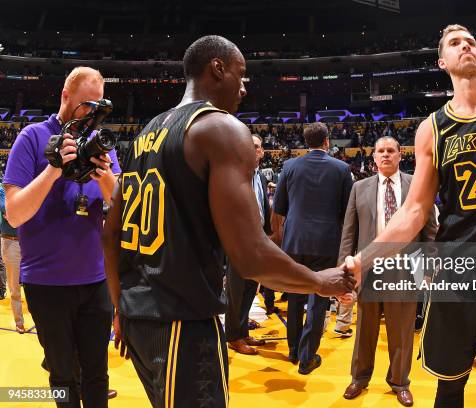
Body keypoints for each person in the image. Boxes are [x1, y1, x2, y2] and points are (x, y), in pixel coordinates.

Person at [102, 35, 354, 408]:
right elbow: (251, 256)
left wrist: (120, 308)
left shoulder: (144, 133)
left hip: (138, 314)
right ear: (217, 69)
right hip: (181, 319)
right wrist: (319, 282)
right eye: (242, 73)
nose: (245, 86)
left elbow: (110, 236)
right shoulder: (221, 129)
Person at [344, 24, 476, 408]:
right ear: (442, 62)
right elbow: (413, 211)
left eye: (472, 42)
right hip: (455, 274)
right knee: (449, 386)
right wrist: (363, 260)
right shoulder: (432, 129)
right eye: (456, 44)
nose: (466, 47)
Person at [4, 66, 120, 407]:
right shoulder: (32, 138)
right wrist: (53, 170)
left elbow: (121, 205)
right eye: (86, 105)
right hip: (47, 283)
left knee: (98, 374)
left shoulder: (101, 143)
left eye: (98, 106)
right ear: (65, 97)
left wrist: (104, 177)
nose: (92, 114)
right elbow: (14, 213)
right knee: (63, 376)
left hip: (96, 280)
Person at [338, 137, 438, 406]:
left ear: (400, 155)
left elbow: (429, 232)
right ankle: (359, 378)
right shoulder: (359, 188)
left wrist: (427, 269)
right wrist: (343, 274)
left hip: (405, 269)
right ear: (373, 158)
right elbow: (349, 234)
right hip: (368, 269)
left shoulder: (416, 186)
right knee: (365, 329)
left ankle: (400, 382)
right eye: (380, 151)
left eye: (390, 151)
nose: (385, 155)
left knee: (403, 331)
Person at [273, 121, 353, 375]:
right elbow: (346, 211)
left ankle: (294, 350)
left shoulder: (289, 166)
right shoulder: (341, 169)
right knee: (319, 299)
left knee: (295, 296)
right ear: (327, 141)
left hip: (294, 241)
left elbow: (280, 207)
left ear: (306, 142)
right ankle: (307, 357)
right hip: (327, 241)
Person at [225, 134, 271, 355]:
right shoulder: (232, 175)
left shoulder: (260, 177)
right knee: (236, 290)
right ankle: (233, 336)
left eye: (258, 147)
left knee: (251, 288)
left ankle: (242, 331)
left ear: (262, 152)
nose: (255, 150)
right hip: (237, 239)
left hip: (258, 239)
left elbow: (264, 208)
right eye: (250, 146)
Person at [0, 183, 23, 333]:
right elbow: (6, 210)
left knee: (35, 283)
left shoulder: (28, 185)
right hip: (11, 240)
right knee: (14, 286)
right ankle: (19, 321)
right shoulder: (2, 190)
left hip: (31, 240)